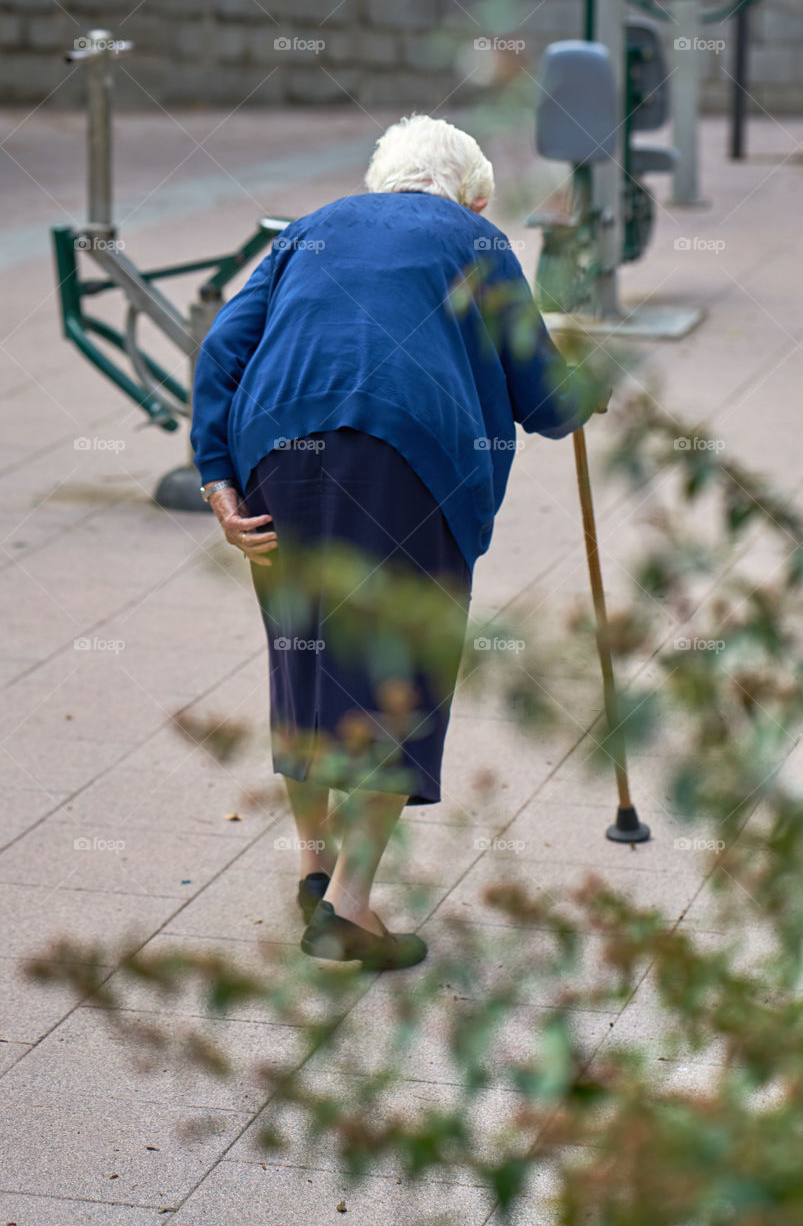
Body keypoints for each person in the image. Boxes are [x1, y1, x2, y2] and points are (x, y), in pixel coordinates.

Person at [190, 114, 610, 972]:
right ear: (476, 192)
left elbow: (220, 354)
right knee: (396, 672)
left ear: (383, 182)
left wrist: (216, 480)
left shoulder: (309, 230)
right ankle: (347, 909)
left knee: (303, 657)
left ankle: (314, 869)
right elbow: (544, 401)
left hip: (278, 454)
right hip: (406, 461)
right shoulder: (476, 237)